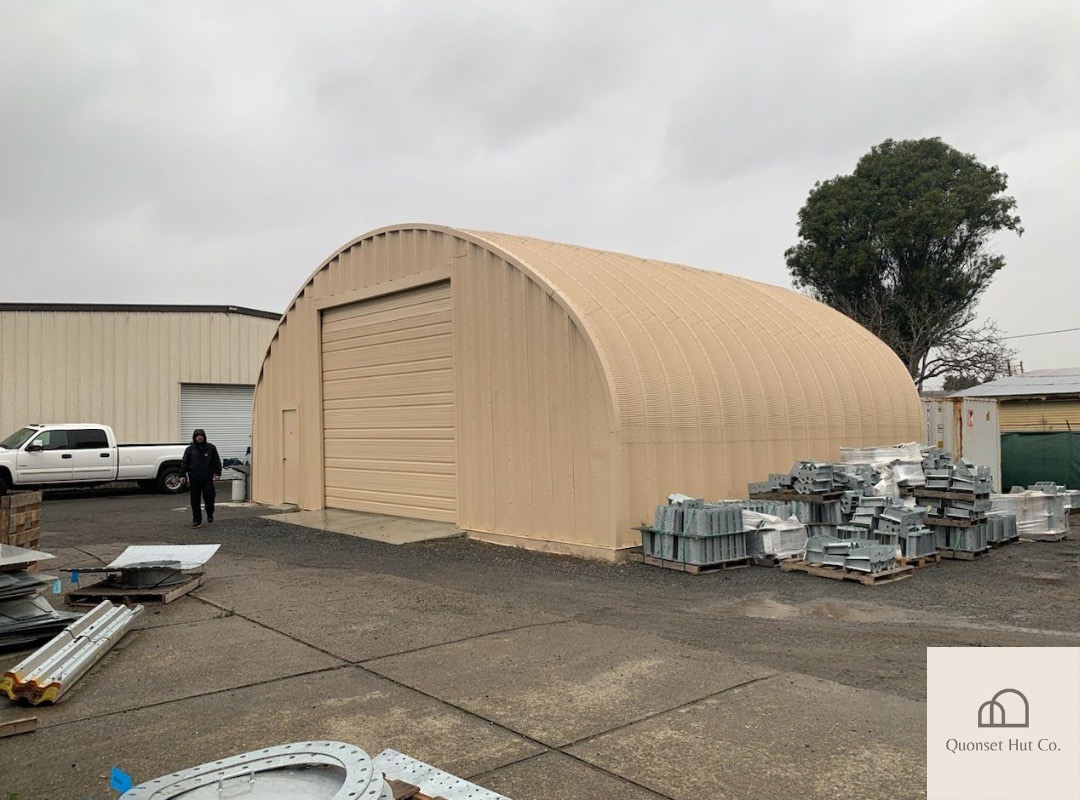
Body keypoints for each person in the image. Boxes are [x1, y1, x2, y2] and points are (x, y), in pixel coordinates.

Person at [181, 428, 221, 528]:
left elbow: (216, 461)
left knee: (209, 498)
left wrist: (217, 473)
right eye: (197, 436)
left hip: (207, 478)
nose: (199, 437)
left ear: (204, 436)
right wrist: (182, 475)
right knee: (195, 501)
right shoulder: (190, 450)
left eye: (201, 435)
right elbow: (184, 463)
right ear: (194, 437)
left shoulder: (211, 448)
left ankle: (210, 513)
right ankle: (196, 520)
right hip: (194, 479)